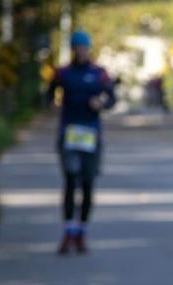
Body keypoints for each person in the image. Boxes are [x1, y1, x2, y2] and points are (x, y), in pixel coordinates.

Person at [47, 30, 116, 254]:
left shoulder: (99, 73)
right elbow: (48, 94)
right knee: (70, 181)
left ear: (89, 48)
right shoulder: (63, 73)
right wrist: (52, 104)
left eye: (84, 46)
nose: (80, 50)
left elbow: (112, 98)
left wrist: (102, 104)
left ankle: (82, 233)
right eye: (77, 46)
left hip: (91, 135)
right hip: (69, 133)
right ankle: (68, 231)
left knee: (87, 184)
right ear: (72, 49)